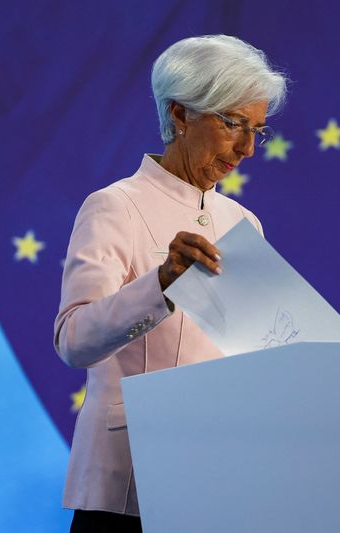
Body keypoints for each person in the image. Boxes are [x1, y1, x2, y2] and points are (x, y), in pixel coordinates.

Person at [54, 35, 288, 532]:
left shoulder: (243, 221)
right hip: (129, 482)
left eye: (257, 131)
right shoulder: (115, 205)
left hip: (215, 479)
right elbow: (73, 341)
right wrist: (159, 286)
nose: (247, 149)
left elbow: (252, 354)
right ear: (180, 115)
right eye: (233, 125)